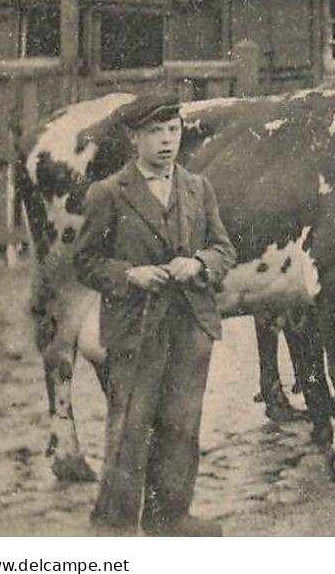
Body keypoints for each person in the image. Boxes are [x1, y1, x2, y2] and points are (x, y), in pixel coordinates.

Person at [73, 94, 236, 536]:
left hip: (190, 323)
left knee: (182, 425)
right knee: (131, 424)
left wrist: (200, 263)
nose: (167, 141)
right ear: (133, 137)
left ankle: (171, 516)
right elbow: (84, 262)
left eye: (173, 131)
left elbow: (224, 249)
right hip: (136, 325)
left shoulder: (198, 188)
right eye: (155, 133)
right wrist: (131, 274)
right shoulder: (107, 193)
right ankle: (116, 524)